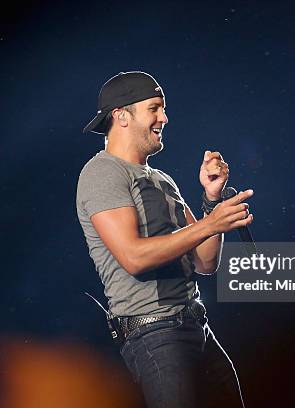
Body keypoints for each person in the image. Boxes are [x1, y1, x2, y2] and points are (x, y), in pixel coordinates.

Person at [76, 71, 253, 408]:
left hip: (196, 327)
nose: (165, 117)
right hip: (155, 335)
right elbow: (134, 257)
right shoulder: (102, 173)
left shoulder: (162, 180)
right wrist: (209, 224)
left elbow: (205, 262)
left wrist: (211, 201)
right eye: (154, 108)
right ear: (121, 116)